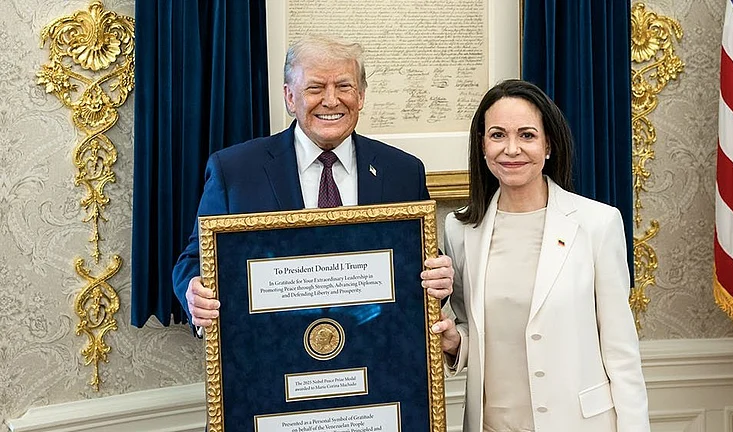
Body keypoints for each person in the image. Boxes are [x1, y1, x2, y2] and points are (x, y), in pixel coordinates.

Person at [172, 35, 453, 328]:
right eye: (315, 88)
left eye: (344, 86)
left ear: (361, 96)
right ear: (290, 97)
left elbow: (421, 264)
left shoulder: (403, 172)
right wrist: (195, 293)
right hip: (271, 355)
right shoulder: (234, 171)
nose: (331, 100)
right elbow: (194, 261)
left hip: (375, 354)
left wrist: (439, 277)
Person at [430, 79, 650, 432]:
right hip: (492, 423)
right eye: (498, 135)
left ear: (548, 145)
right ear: (482, 146)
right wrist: (456, 343)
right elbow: (475, 327)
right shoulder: (460, 230)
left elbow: (621, 351)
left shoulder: (597, 224)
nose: (511, 149)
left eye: (527, 135)